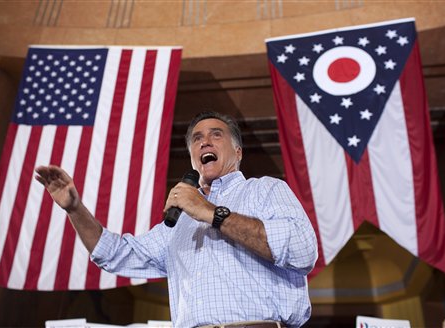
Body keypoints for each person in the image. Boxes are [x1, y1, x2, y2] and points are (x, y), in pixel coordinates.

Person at [35, 111, 318, 328]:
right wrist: (75, 209)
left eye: (216, 134)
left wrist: (210, 212)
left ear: (238, 152)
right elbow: (114, 254)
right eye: (197, 138)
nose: (205, 140)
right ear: (194, 158)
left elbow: (302, 251)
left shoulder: (265, 190)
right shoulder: (180, 223)